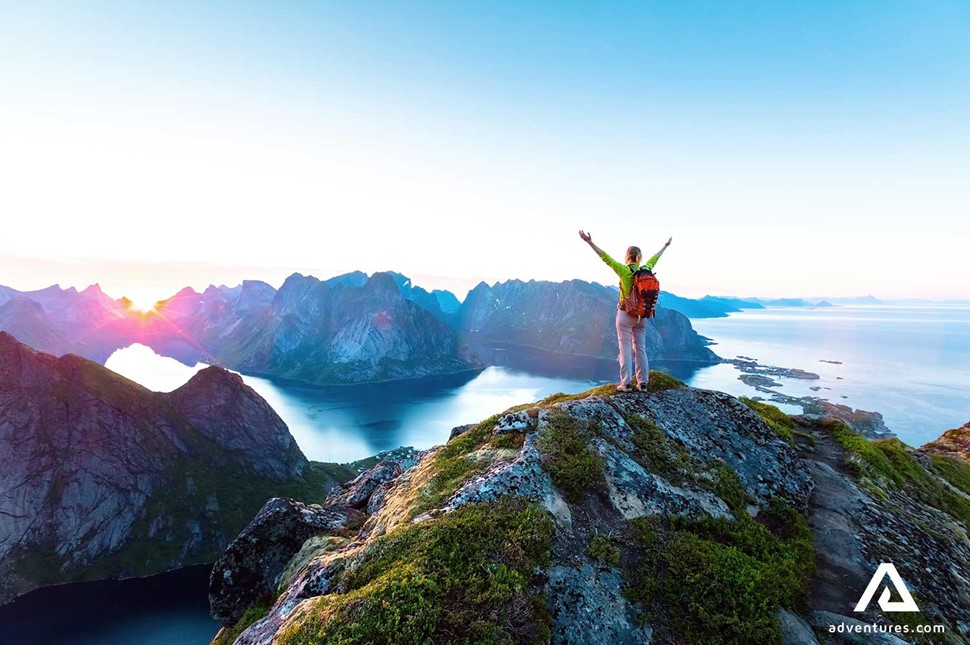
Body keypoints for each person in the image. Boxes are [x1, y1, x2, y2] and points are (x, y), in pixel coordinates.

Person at [579, 230, 672, 391]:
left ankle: (626, 383)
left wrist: (589, 242)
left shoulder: (623, 270)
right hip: (642, 316)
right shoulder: (646, 269)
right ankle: (643, 383)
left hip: (625, 314)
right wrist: (665, 246)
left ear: (627, 256)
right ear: (639, 257)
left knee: (625, 349)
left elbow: (605, 257)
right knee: (641, 348)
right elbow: (655, 259)